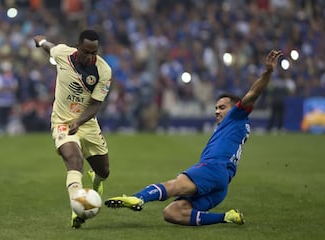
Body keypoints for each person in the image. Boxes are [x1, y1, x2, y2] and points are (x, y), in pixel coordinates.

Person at [105, 50, 282, 226]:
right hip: (222, 184)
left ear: (235, 107)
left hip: (213, 168)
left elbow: (253, 93)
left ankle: (138, 198)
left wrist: (267, 72)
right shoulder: (235, 125)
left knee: (176, 184)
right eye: (216, 108)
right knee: (173, 213)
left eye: (221, 107)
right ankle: (228, 217)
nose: (216, 111)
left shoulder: (237, 115)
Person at [33, 29, 112, 229]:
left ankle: (96, 183)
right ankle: (78, 207)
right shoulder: (63, 53)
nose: (90, 57)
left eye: (94, 52)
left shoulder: (103, 71)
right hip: (61, 122)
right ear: (77, 47)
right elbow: (49, 48)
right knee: (74, 160)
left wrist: (79, 121)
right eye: (86, 52)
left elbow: (95, 104)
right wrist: (41, 41)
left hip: (87, 123)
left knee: (104, 170)